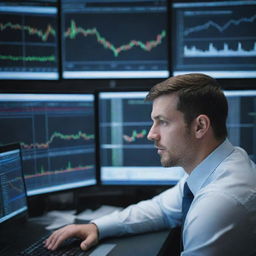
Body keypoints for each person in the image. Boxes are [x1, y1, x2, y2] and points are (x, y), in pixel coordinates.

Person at [44, 73, 256, 255]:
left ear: (200, 126)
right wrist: (97, 227)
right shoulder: (220, 164)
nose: (150, 134)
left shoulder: (218, 205)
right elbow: (162, 209)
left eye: (162, 122)